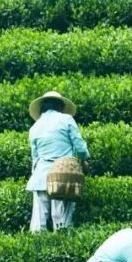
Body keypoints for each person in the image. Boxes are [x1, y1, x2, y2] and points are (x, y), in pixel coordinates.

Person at [27, 91, 89, 233]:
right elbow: (80, 146)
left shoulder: (35, 127)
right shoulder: (66, 119)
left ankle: (36, 247)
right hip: (64, 173)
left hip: (40, 174)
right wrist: (84, 160)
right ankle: (61, 246)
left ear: (42, 107)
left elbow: (34, 157)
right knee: (61, 218)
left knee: (39, 218)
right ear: (60, 106)